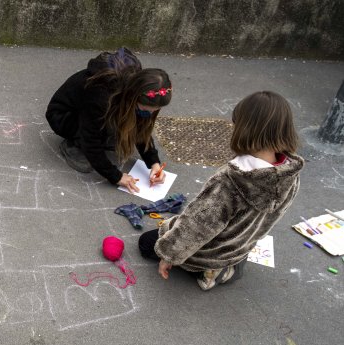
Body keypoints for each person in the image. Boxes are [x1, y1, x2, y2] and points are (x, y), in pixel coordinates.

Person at [138, 91, 304, 290]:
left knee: (146, 243)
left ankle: (210, 271)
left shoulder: (232, 180)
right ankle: (232, 262)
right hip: (239, 244)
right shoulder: (289, 172)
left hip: (212, 252)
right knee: (181, 232)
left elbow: (198, 225)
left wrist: (169, 255)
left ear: (244, 129)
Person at [45, 47, 172, 193]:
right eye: (145, 110)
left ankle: (103, 138)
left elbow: (140, 127)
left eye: (153, 112)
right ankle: (74, 145)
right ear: (132, 98)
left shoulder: (136, 91)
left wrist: (154, 163)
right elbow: (91, 139)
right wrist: (115, 176)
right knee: (89, 159)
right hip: (64, 117)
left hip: (93, 113)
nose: (148, 114)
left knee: (113, 132)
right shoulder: (102, 96)